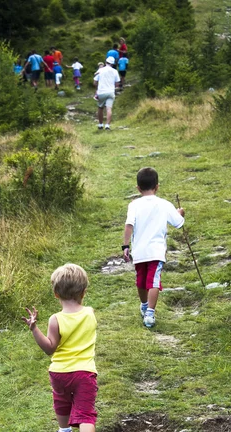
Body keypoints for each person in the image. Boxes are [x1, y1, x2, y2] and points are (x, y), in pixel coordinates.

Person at [22, 264, 99, 432]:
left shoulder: (55, 319)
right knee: (85, 413)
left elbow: (49, 348)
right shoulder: (90, 314)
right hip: (84, 372)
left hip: (59, 372)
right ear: (84, 292)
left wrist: (34, 329)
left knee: (62, 401)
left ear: (56, 294)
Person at [122, 167, 185, 328]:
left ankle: (144, 305)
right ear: (157, 186)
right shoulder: (164, 204)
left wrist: (125, 245)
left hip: (139, 251)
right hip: (156, 251)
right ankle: (150, 312)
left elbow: (129, 225)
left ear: (138, 188)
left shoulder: (134, 205)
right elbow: (178, 223)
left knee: (141, 280)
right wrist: (180, 213)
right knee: (153, 281)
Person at [93, 55, 120, 130]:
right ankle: (107, 125)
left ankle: (100, 124)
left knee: (100, 108)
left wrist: (97, 88)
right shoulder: (115, 71)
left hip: (101, 92)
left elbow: (95, 82)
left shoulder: (100, 70)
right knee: (109, 109)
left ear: (105, 62)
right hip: (111, 92)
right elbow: (117, 83)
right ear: (113, 64)